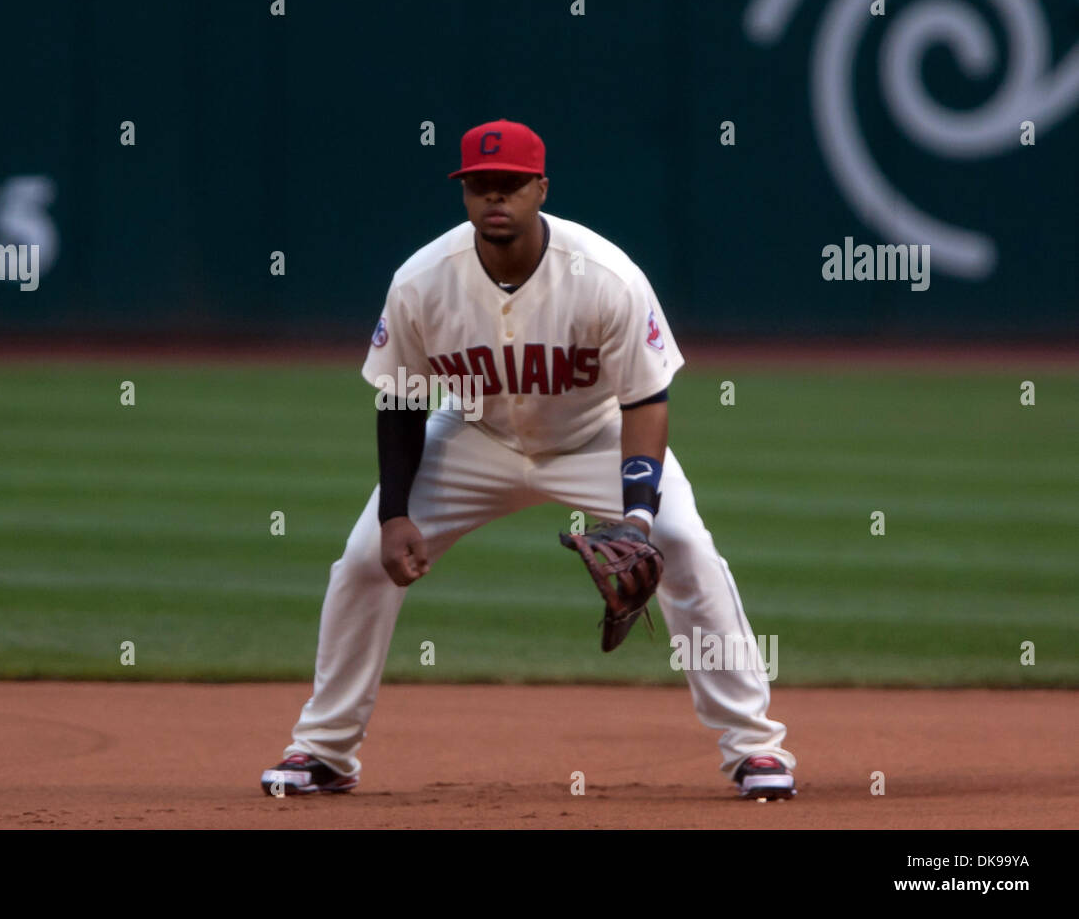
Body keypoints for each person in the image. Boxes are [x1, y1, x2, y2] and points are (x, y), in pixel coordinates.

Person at [261, 119, 796, 800]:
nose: (495, 198)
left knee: (684, 544)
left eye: (510, 183)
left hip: (594, 436)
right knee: (367, 558)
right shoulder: (423, 280)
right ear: (462, 193)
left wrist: (637, 517)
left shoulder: (605, 277)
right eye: (479, 185)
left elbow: (645, 400)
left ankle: (755, 750)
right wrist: (395, 511)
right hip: (474, 438)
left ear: (541, 187)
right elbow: (399, 398)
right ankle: (324, 751)